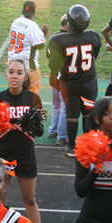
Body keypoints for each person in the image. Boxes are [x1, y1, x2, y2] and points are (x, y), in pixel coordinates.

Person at [0, 59, 50, 223]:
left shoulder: (34, 98)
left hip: (25, 154)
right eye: (11, 72)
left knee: (29, 199)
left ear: (24, 77)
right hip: (3, 154)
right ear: (6, 75)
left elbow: (40, 131)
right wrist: (0, 123)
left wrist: (32, 124)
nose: (14, 76)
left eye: (19, 73)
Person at [47, 4, 102, 157]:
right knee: (88, 114)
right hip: (89, 84)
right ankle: (89, 146)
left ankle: (72, 147)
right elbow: (95, 55)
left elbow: (53, 64)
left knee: (72, 116)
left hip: (70, 84)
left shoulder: (58, 39)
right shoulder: (94, 36)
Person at [7, 1, 49, 97]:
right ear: (34, 12)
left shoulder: (15, 22)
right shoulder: (33, 26)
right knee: (32, 97)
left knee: (15, 95)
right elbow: (39, 45)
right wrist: (43, 35)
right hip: (28, 66)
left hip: (13, 64)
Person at [47, 14, 70, 147]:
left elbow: (48, 56)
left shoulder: (54, 37)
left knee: (56, 105)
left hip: (53, 75)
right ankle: (62, 136)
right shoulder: (68, 39)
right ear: (67, 26)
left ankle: (53, 130)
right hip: (62, 77)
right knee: (64, 108)